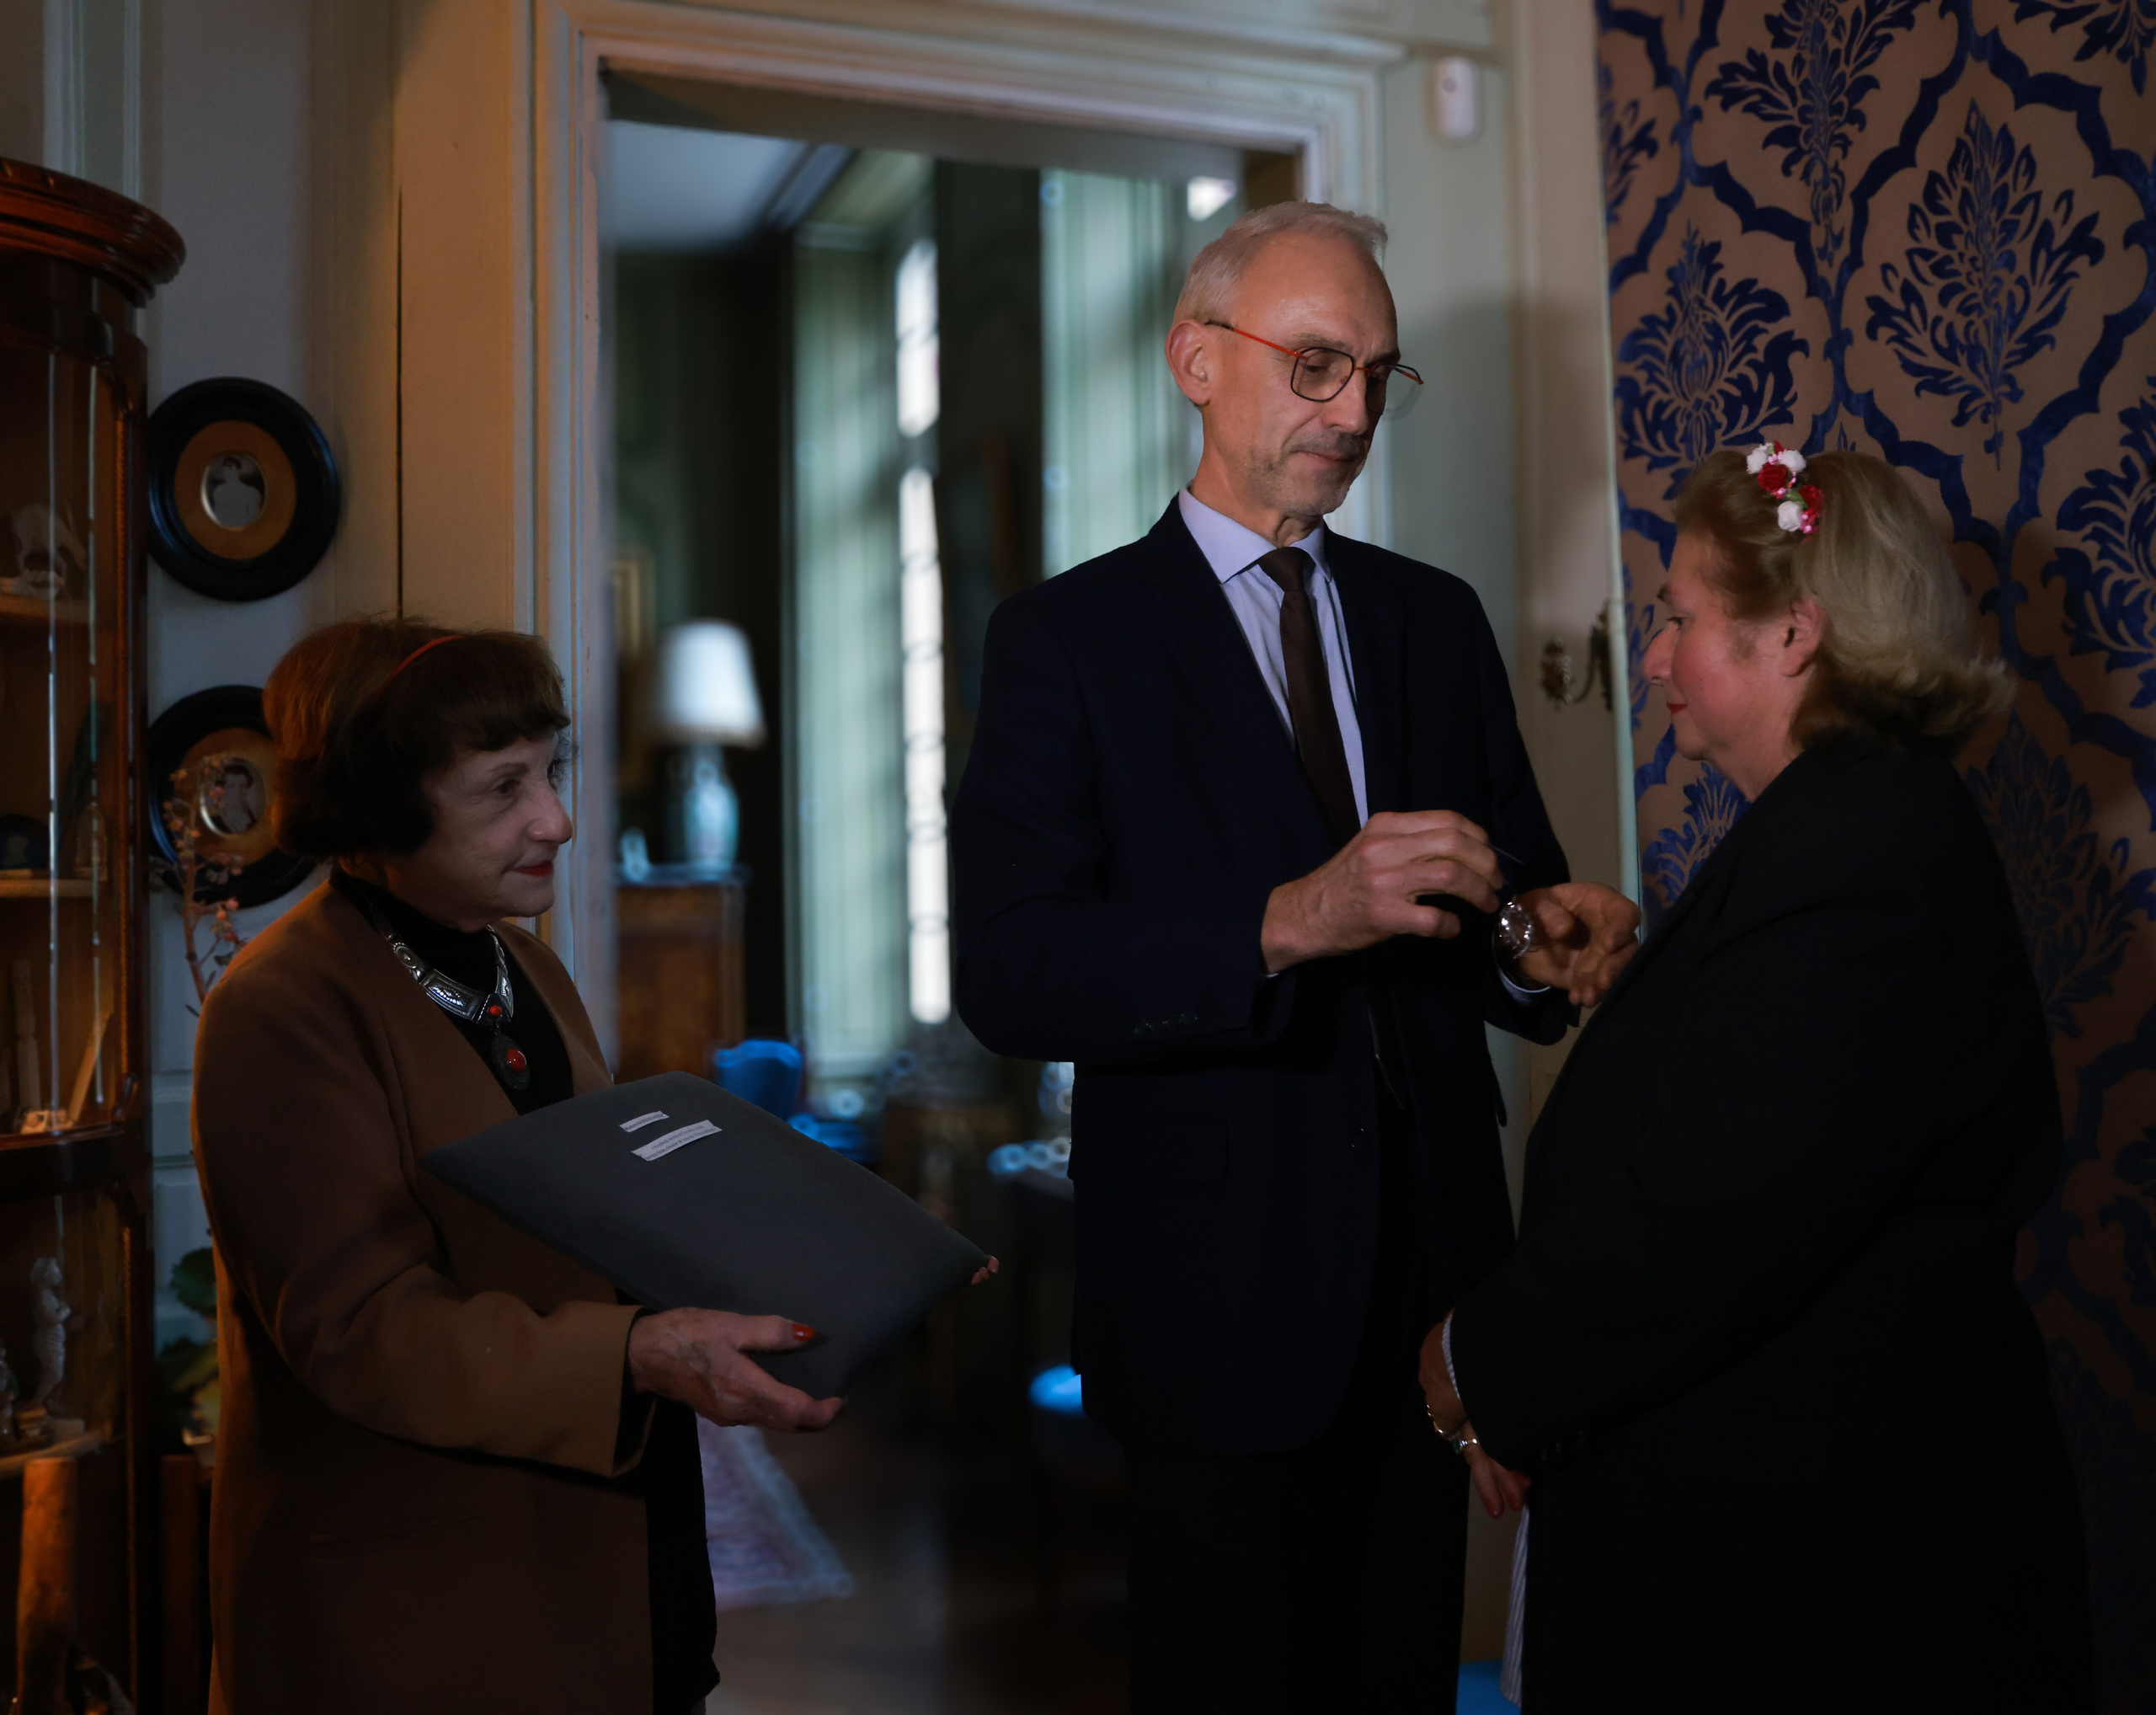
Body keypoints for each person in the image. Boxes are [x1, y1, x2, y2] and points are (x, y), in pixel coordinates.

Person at [951, 200, 1641, 1711]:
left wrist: (1544, 947)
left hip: (1440, 1296)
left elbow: (1498, 908)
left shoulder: (1433, 621)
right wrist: (1286, 922)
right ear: (1197, 359)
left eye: (1377, 376)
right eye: (1317, 363)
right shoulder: (1065, 642)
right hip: (1216, 1297)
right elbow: (1009, 974)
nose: (1351, 411)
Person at [1429, 446, 2094, 1711]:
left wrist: (1475, 1360)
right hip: (1783, 1545)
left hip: (1827, 1582)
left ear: (1795, 632)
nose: (1659, 656)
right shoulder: (1834, 827)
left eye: (1680, 617)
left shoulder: (1861, 854)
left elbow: (1718, 1214)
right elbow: (1771, 1111)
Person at [192, 619, 844, 1715]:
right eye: (503, 788)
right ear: (379, 801)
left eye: (552, 769)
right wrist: (640, 1354)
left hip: (601, 1555)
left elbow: (593, 1222)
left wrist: (839, 1249)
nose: (558, 818)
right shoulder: (281, 1008)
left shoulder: (520, 962)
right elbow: (366, 1333)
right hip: (424, 1612)